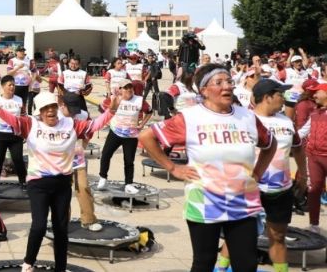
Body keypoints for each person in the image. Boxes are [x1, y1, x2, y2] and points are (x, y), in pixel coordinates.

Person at [139, 63, 275, 272]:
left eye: (229, 81)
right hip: (205, 202)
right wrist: (173, 168)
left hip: (243, 203)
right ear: (204, 90)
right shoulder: (191, 117)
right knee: (204, 262)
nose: (227, 87)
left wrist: (257, 173)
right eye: (218, 83)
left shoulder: (246, 117)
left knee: (246, 264)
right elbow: (147, 137)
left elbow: (270, 144)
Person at [0, 87, 118, 272]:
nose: (50, 110)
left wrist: (111, 111)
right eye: (45, 108)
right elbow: (14, 120)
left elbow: (95, 125)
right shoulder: (31, 124)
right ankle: (28, 263)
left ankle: (61, 268)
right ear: (39, 111)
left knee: (60, 229)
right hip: (38, 184)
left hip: (62, 184)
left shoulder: (70, 124)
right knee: (39, 226)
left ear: (57, 107)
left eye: (52, 107)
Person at [218, 78, 307, 272]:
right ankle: (221, 269)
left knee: (278, 236)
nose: (283, 99)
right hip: (249, 188)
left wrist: (303, 174)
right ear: (267, 97)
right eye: (279, 95)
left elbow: (298, 148)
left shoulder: (286, 121)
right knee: (237, 236)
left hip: (280, 190)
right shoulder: (244, 120)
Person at [96, 81, 152, 194]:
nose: (128, 90)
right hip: (115, 132)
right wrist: (108, 118)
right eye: (125, 88)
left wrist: (142, 124)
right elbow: (104, 109)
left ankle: (129, 184)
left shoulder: (139, 100)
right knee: (106, 154)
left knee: (129, 160)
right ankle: (103, 178)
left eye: (130, 87)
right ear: (120, 89)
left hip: (131, 135)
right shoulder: (114, 98)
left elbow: (149, 111)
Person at [0, 75, 26, 188]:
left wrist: (24, 132)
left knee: (18, 159)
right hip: (0, 135)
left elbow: (23, 117)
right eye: (10, 85)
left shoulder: (19, 99)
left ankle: (23, 182)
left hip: (16, 136)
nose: (12, 87)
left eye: (13, 85)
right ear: (3, 86)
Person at [298, 79, 327, 232]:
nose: (314, 95)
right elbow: (303, 132)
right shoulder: (315, 112)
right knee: (314, 190)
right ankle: (314, 224)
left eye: (317, 92)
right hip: (314, 157)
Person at [5, 46, 34, 114]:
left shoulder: (28, 60)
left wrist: (32, 81)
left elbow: (34, 71)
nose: (22, 52)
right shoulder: (12, 60)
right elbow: (8, 73)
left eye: (23, 51)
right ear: (16, 52)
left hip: (25, 86)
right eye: (20, 51)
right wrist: (18, 67)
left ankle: (22, 118)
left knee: (23, 103)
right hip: (14, 85)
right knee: (14, 102)